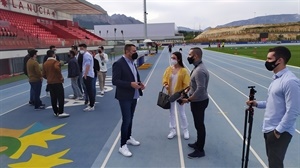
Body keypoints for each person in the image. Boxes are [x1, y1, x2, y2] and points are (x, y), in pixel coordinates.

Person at [246, 46, 300, 168]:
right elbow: (272, 102)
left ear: (279, 61)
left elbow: (294, 110)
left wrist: (278, 131)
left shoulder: (290, 81)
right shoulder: (276, 79)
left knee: (275, 164)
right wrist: (256, 103)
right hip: (270, 129)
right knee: (272, 162)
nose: (267, 61)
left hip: (279, 131)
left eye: (269, 59)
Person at [112, 44, 145, 157]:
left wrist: (140, 84)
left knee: (131, 118)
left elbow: (134, 76)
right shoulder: (119, 63)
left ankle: (128, 137)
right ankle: (122, 145)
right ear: (127, 51)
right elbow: (115, 81)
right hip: (124, 96)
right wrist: (130, 84)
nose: (135, 52)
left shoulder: (132, 62)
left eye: (136, 50)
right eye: (133, 51)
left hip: (134, 95)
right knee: (126, 119)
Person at [181, 47, 209, 158]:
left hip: (199, 101)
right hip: (198, 100)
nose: (188, 57)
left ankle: (200, 150)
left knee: (200, 125)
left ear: (196, 56)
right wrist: (188, 89)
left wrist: (188, 99)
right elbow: (196, 85)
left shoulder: (199, 71)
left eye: (189, 55)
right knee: (198, 124)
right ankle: (198, 143)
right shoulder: (198, 67)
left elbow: (201, 88)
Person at [162, 51, 190, 140]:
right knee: (171, 113)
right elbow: (164, 79)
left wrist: (184, 94)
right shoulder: (168, 69)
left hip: (180, 95)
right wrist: (166, 84)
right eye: (171, 58)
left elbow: (187, 84)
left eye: (174, 58)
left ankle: (185, 130)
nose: (172, 60)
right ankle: (172, 130)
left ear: (179, 59)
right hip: (170, 95)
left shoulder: (184, 71)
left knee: (182, 113)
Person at [43, 50, 69, 118]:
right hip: (57, 82)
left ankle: (55, 111)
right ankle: (61, 112)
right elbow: (57, 68)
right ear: (53, 55)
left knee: (53, 97)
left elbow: (43, 74)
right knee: (60, 97)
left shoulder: (45, 63)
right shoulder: (55, 62)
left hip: (50, 82)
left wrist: (48, 78)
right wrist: (61, 77)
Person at [79, 43, 95, 111]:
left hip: (88, 75)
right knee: (89, 90)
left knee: (89, 90)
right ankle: (91, 104)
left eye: (82, 48)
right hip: (88, 74)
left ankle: (91, 105)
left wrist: (85, 74)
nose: (81, 50)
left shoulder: (86, 55)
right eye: (80, 49)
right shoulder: (86, 55)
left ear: (85, 48)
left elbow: (88, 65)